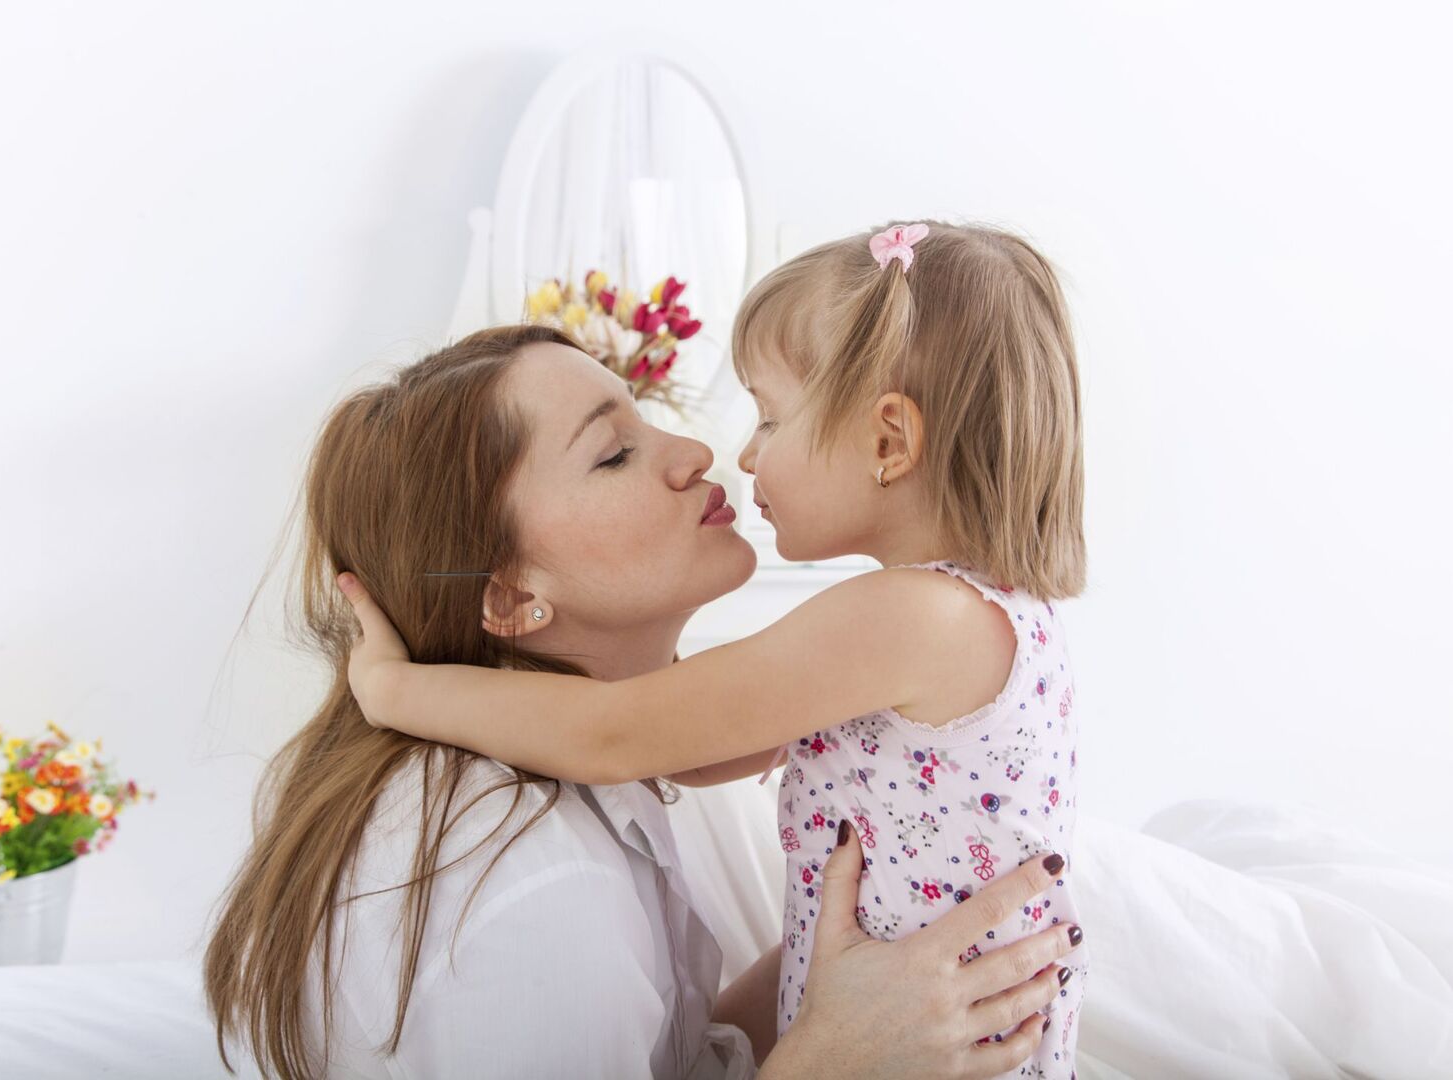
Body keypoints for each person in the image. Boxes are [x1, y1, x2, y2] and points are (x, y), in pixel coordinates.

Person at [205, 322, 1078, 1079]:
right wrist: (832, 1052)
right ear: (509, 596)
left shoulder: (585, 779)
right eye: (614, 453)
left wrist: (866, 984)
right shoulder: (529, 881)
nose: (697, 452)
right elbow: (627, 737)